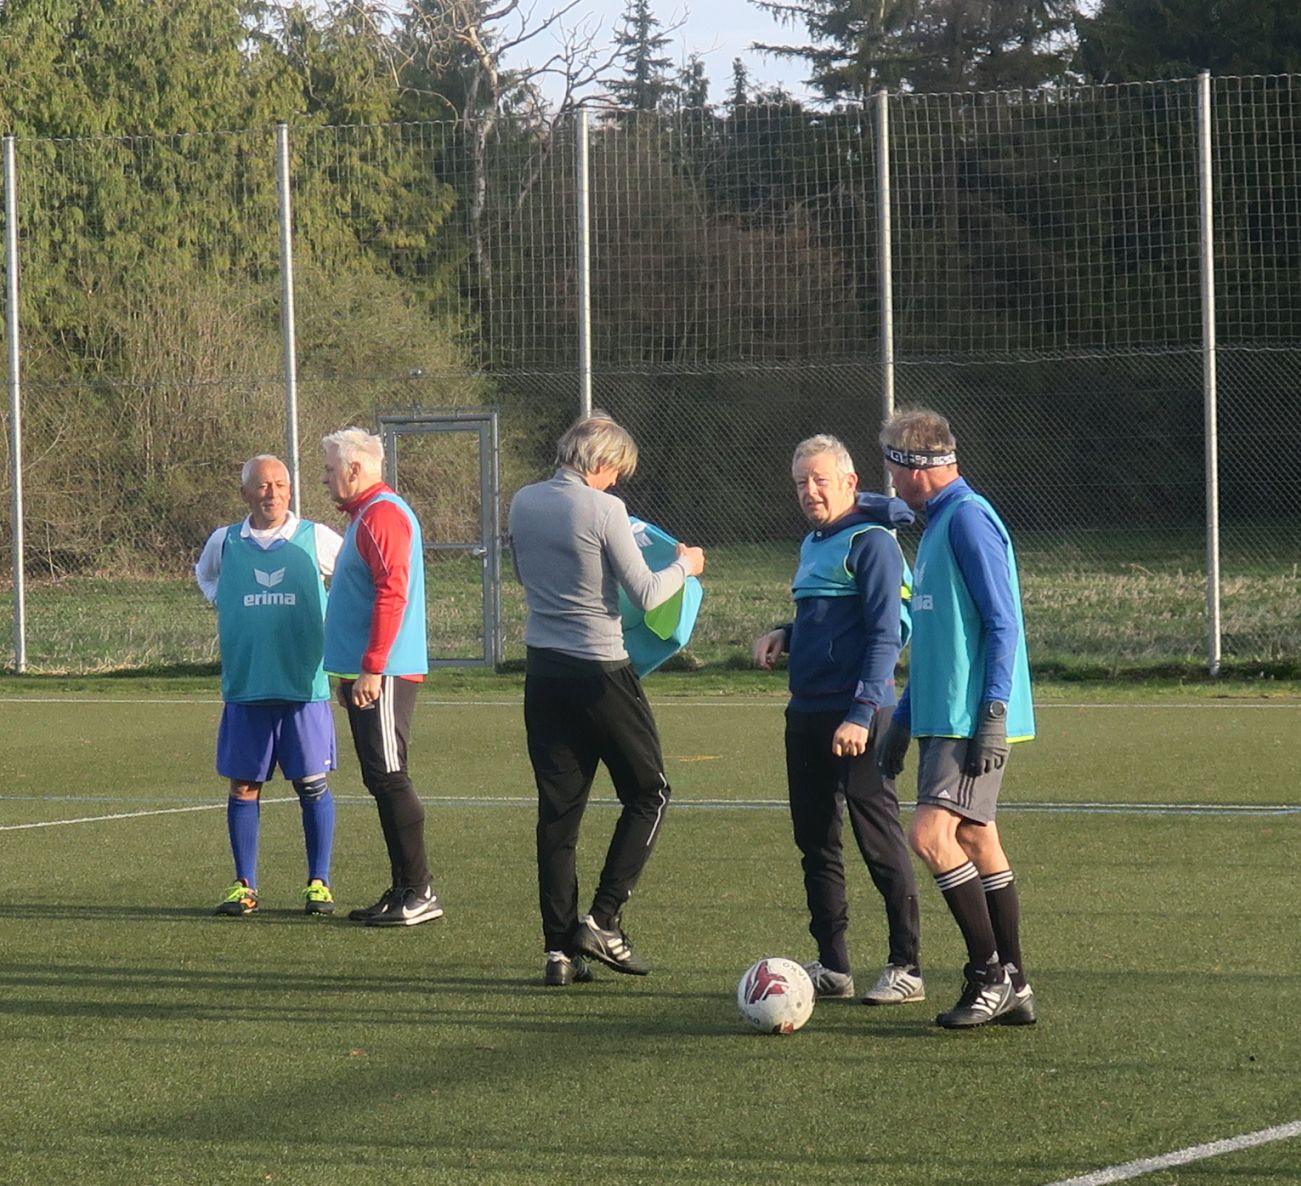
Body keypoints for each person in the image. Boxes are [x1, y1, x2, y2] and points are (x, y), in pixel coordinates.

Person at [508, 413, 706, 986]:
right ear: (598, 461)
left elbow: (525, 575)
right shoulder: (604, 509)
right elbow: (646, 592)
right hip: (600, 670)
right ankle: (603, 919)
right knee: (650, 792)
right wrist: (686, 565)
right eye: (615, 470)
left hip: (543, 672)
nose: (616, 481)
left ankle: (558, 951)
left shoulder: (522, 502)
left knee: (559, 813)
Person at [877, 408, 1037, 1029]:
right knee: (976, 838)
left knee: (930, 837)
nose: (891, 480)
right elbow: (941, 641)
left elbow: (1003, 622)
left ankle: (989, 976)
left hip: (967, 718)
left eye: (893, 467)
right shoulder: (941, 523)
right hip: (943, 714)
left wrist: (992, 712)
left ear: (915, 466)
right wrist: (903, 719)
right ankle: (1015, 983)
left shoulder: (968, 518)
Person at [753, 435, 925, 1007]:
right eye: (801, 482)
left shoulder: (872, 542)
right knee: (816, 841)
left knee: (878, 840)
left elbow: (885, 634)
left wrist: (861, 712)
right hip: (806, 710)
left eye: (820, 480)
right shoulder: (813, 541)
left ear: (850, 482)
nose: (809, 491)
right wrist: (787, 633)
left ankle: (907, 966)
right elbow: (828, 618)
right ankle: (833, 965)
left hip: (859, 716)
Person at [195, 454, 343, 917]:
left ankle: (319, 883)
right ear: (245, 493)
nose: (271, 493)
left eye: (279, 484)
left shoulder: (317, 538)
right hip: (247, 686)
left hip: (303, 688)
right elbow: (206, 576)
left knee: (312, 785)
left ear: (290, 490)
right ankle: (245, 885)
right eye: (262, 485)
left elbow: (354, 580)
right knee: (244, 787)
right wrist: (222, 599)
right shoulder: (225, 542)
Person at [322, 426, 442, 927]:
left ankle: (419, 890)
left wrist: (372, 667)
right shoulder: (365, 516)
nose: (325, 478)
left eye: (330, 469)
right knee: (380, 776)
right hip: (370, 672)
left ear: (354, 469)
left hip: (385, 672)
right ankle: (403, 888)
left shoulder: (382, 515)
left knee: (390, 776)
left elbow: (394, 591)